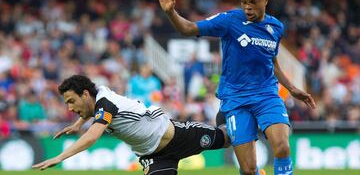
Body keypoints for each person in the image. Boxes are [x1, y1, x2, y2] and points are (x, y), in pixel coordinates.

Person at [155, 0, 316, 175]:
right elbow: (189, 28)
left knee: (282, 147)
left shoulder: (276, 27)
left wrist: (292, 89)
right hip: (236, 100)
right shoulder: (229, 20)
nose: (247, 7)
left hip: (267, 95)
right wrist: (171, 12)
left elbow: (272, 63)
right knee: (248, 170)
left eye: (253, 2)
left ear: (265, 0)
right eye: (244, 2)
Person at [32, 75, 229, 175]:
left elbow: (92, 137)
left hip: (177, 136)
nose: (69, 107)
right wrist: (77, 124)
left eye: (71, 101)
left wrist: (59, 157)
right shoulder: (97, 96)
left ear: (84, 94)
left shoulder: (106, 104)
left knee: (227, 138)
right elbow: (89, 108)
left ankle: (228, 104)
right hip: (154, 157)